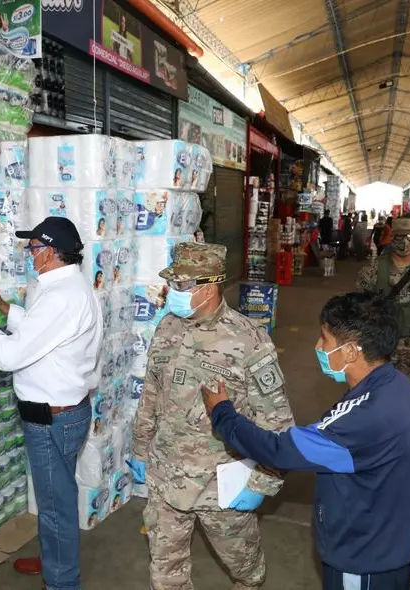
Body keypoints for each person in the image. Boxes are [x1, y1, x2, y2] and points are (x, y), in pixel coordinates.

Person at [202, 291, 410, 590]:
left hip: (363, 558)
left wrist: (223, 413)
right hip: (387, 538)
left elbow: (279, 450)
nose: (318, 346)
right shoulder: (396, 383)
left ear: (352, 351)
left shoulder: (365, 419)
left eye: (325, 340)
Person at [130, 242, 291, 590]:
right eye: (173, 283)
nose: (174, 292)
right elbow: (152, 393)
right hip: (165, 475)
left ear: (210, 286)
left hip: (220, 485)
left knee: (245, 570)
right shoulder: (168, 327)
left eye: (182, 286)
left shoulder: (249, 340)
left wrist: (264, 481)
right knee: (166, 573)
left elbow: (277, 423)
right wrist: (140, 448)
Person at [0, 216, 103, 590]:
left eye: (35, 248)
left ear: (54, 253)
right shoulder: (68, 288)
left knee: (56, 507)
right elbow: (46, 337)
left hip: (52, 421)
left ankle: (62, 582)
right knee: (53, 499)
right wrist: (6, 311)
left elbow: (11, 357)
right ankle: (54, 561)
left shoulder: (62, 297)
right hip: (64, 414)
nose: (30, 254)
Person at [356, 217, 410, 395]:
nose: (404, 242)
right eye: (399, 236)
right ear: (392, 237)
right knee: (378, 396)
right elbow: (360, 307)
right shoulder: (373, 270)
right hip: (382, 347)